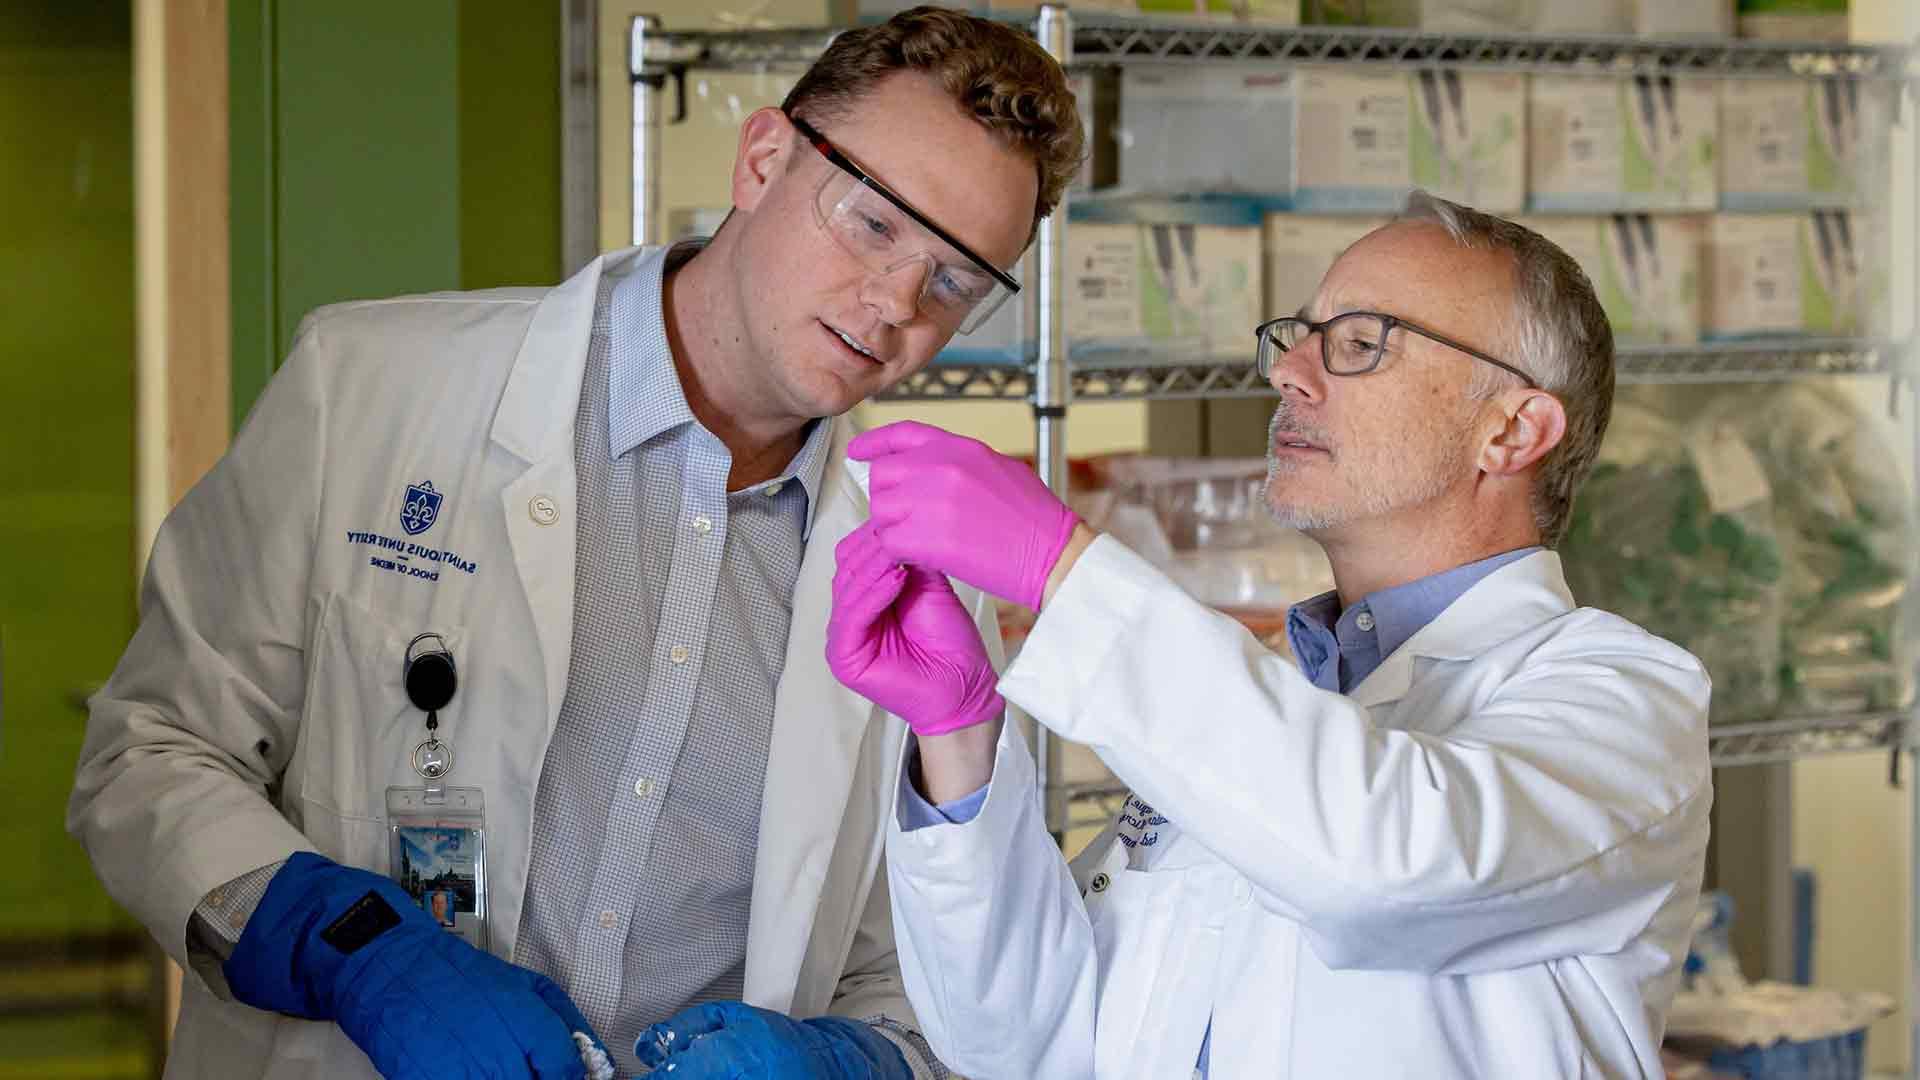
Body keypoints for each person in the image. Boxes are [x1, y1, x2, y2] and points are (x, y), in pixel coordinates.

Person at [66, 7, 1083, 1078]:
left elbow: (926, 967)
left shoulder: (922, 591)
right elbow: (150, 756)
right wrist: (348, 951)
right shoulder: (368, 389)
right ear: (764, 157)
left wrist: (850, 1060)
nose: (895, 305)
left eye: (956, 279)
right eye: (872, 223)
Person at [818, 192, 1713, 1077]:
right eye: (1299, 338)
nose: (1290, 374)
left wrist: (1063, 572)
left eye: (1360, 344)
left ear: (1513, 430)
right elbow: (1022, 1040)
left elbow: (1384, 867)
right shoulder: (1262, 703)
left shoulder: (1624, 703)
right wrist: (960, 740)